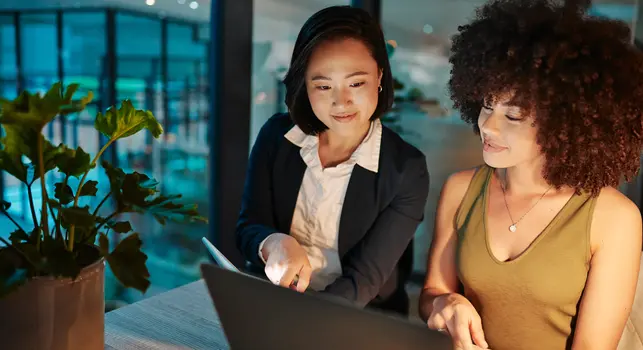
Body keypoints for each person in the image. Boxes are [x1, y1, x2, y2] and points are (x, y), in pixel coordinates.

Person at [419, 0, 643, 349]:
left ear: (564, 123)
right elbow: (432, 292)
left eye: (514, 116)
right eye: (487, 105)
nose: (488, 126)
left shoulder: (614, 218)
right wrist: (445, 302)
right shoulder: (461, 189)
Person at [235, 5, 429, 316]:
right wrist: (273, 242)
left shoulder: (406, 169)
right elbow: (247, 227)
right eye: (323, 86)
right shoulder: (276, 136)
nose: (341, 101)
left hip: (358, 318)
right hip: (272, 302)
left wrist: (302, 322)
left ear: (379, 75)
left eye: (356, 83)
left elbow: (363, 282)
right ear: (305, 85)